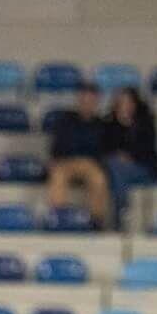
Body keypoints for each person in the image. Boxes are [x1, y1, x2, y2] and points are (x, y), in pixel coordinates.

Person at [46, 84, 110, 227]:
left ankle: (96, 223)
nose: (87, 103)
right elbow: (57, 147)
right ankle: (58, 220)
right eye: (84, 100)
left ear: (96, 102)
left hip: (90, 164)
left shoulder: (102, 125)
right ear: (79, 100)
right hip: (66, 163)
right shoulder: (65, 121)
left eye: (91, 100)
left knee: (99, 179)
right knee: (57, 176)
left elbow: (103, 150)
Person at [102, 87, 157, 231]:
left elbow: (149, 151)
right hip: (118, 169)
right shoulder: (109, 124)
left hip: (144, 169)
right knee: (116, 168)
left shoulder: (146, 124)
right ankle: (121, 214)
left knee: (117, 170)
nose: (125, 106)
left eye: (128, 102)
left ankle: (119, 217)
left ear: (135, 104)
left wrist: (130, 157)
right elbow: (105, 148)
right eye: (121, 103)